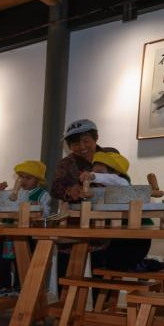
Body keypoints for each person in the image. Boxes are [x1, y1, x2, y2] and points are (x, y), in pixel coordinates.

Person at [50, 119, 117, 279]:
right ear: (69, 146)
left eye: (86, 141)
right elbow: (56, 188)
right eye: (75, 144)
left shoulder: (111, 155)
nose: (82, 147)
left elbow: (122, 178)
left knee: (104, 271)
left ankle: (104, 296)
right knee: (67, 272)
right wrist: (70, 191)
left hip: (107, 220)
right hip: (76, 221)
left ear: (96, 137)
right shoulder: (66, 163)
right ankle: (65, 295)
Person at [82, 151, 156, 271]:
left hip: (136, 236)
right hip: (115, 236)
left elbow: (111, 179)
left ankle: (143, 264)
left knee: (123, 261)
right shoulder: (97, 190)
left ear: (116, 173)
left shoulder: (122, 183)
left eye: (100, 172)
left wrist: (93, 176)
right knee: (103, 263)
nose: (96, 176)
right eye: (94, 172)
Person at [0, 160, 51, 295]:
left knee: (23, 260)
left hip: (28, 234)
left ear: (38, 180)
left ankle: (20, 287)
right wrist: (0, 193)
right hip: (9, 233)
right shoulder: (13, 193)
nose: (23, 181)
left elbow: (46, 213)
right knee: (2, 260)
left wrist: (37, 208)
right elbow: (1, 205)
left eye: (28, 178)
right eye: (21, 177)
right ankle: (5, 286)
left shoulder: (42, 194)